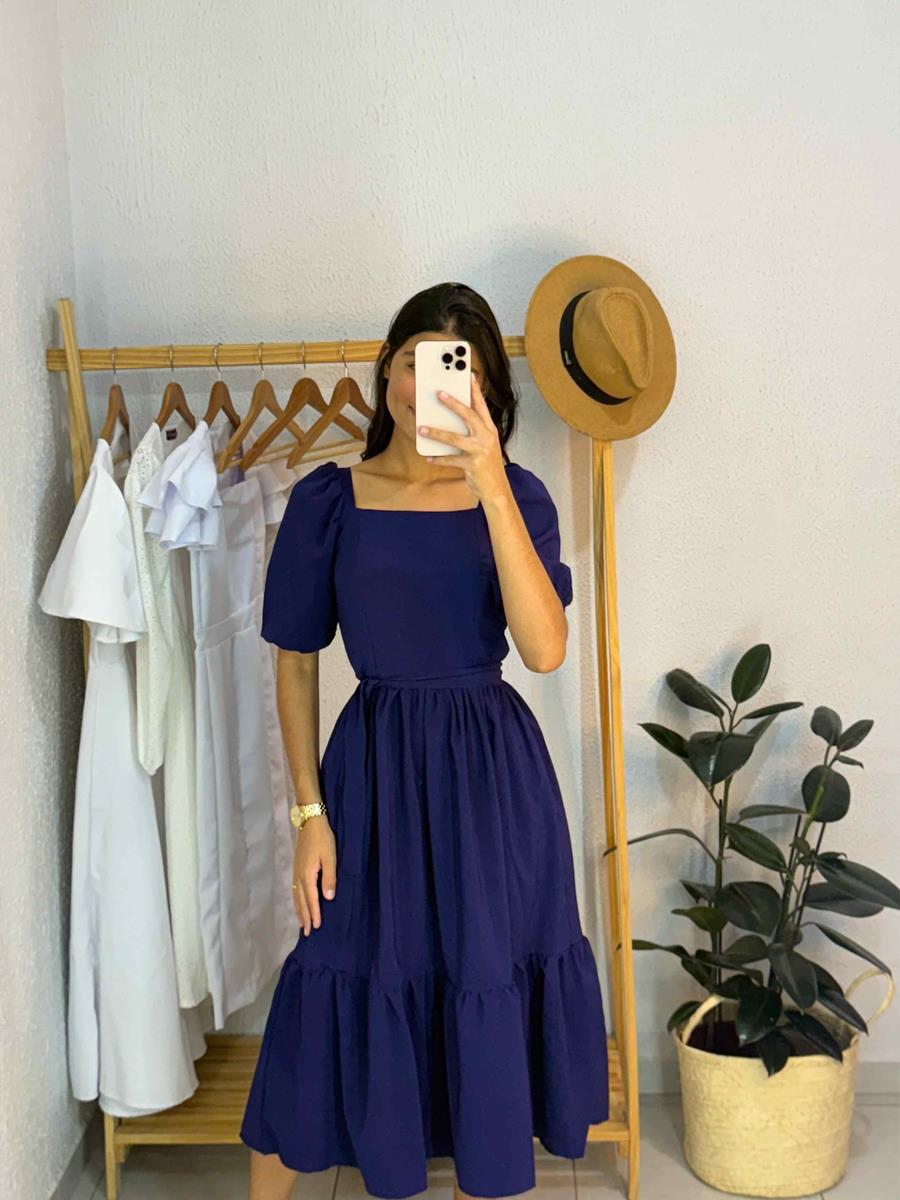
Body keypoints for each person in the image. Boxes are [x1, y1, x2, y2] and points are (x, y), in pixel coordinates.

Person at [240, 282, 609, 1200]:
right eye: (411, 362)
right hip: (370, 781)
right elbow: (295, 662)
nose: (423, 386)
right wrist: (308, 816)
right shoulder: (329, 501)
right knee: (327, 981)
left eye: (453, 370)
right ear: (386, 371)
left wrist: (489, 483)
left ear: (486, 390)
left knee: (484, 983)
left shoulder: (517, 495)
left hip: (494, 789)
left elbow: (545, 649)